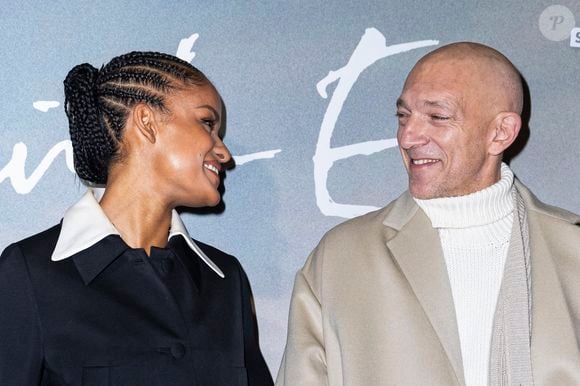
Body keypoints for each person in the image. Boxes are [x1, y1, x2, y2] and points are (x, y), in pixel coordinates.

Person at [276, 42, 580, 385]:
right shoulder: (341, 258)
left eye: (438, 117)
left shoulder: (572, 250)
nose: (408, 136)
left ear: (500, 133)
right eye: (403, 116)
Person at [0, 51, 273, 385]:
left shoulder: (225, 279)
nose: (224, 153)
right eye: (207, 123)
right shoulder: (31, 272)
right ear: (146, 122)